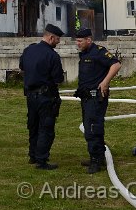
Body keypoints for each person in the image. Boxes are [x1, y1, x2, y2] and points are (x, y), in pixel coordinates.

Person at [74, 28, 120, 174]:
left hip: (95, 97)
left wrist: (105, 82)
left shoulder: (98, 51)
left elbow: (116, 64)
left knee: (93, 129)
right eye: (77, 40)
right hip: (86, 98)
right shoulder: (85, 54)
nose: (77, 43)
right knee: (91, 127)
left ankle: (95, 161)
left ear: (89, 40)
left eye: (80, 41)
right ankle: (98, 156)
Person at [19, 23, 65, 170]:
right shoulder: (52, 55)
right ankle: (41, 160)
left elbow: (22, 66)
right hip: (46, 96)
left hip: (30, 96)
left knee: (33, 126)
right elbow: (58, 79)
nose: (58, 43)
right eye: (57, 39)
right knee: (46, 127)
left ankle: (33, 155)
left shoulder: (28, 50)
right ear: (51, 38)